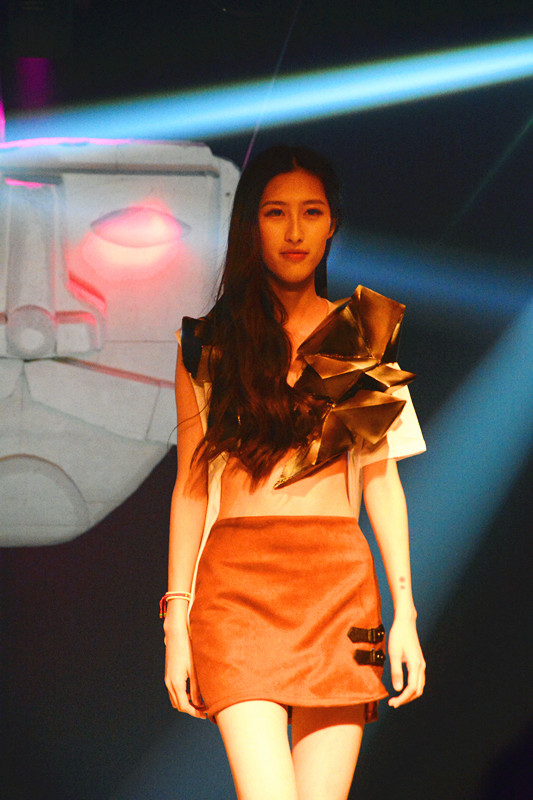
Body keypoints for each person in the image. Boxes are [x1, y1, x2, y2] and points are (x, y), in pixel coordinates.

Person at [162, 145, 426, 800]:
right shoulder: (209, 343)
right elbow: (191, 487)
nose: (294, 230)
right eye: (275, 212)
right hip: (236, 594)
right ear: (251, 223)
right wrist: (175, 622)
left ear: (332, 223)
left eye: (311, 212)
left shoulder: (360, 336)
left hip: (340, 591)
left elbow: (380, 480)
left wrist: (405, 614)